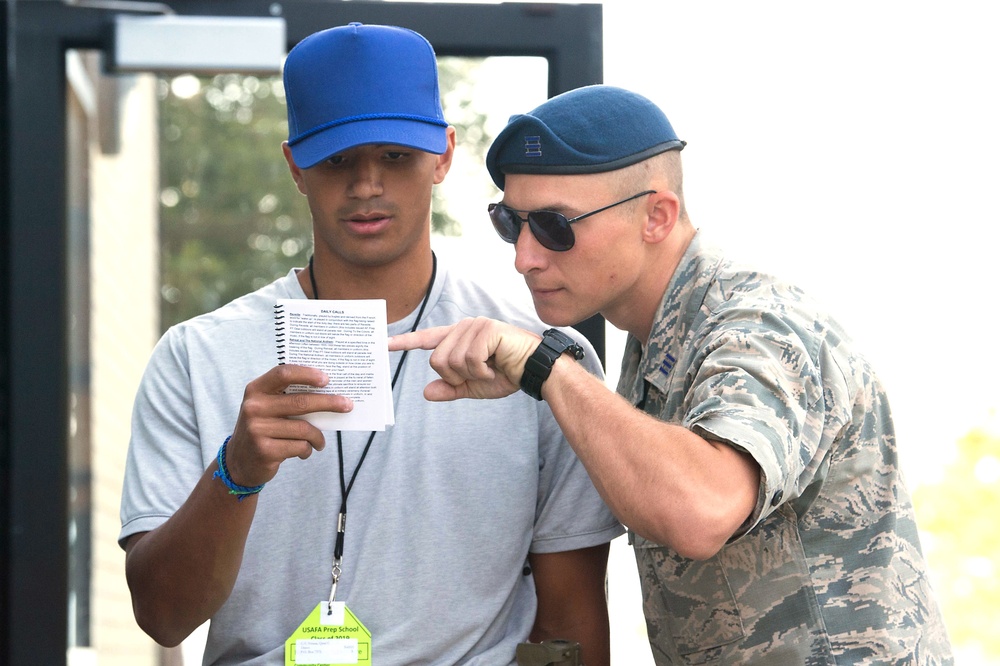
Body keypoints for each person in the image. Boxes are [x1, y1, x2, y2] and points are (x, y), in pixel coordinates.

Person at [389, 85, 954, 664]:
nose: (525, 256)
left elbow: (701, 509)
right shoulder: (654, 344)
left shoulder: (757, 326)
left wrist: (545, 366)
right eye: (512, 222)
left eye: (556, 226)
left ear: (656, 216)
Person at [118, 24, 623, 666]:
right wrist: (235, 474)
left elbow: (571, 621)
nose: (366, 185)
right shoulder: (197, 356)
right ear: (295, 166)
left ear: (442, 155)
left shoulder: (541, 356)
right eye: (337, 159)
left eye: (394, 156)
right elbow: (162, 618)